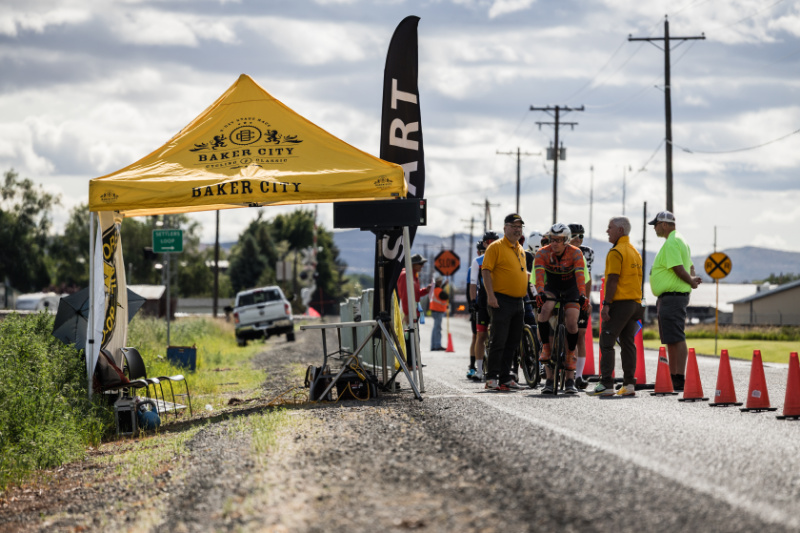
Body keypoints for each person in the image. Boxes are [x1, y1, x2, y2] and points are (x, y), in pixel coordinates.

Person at [588, 216, 644, 396]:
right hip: (635, 304)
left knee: (606, 340)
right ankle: (629, 385)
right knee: (628, 343)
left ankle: (606, 384)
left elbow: (612, 279)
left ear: (620, 230)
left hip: (620, 303)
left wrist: (606, 304)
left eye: (609, 227)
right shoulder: (635, 252)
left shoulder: (616, 252)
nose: (607, 231)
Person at [534, 223, 590, 394]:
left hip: (571, 287)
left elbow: (581, 276)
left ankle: (570, 360)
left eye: (559, 240)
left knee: (572, 323)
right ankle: (546, 348)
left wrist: (582, 295)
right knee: (544, 310)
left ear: (566, 240)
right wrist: (541, 292)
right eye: (553, 239)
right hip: (552, 286)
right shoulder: (542, 252)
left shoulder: (576, 252)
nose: (555, 243)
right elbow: (539, 276)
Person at [649, 210, 701, 391]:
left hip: (672, 297)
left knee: (676, 337)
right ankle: (674, 376)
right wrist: (692, 278)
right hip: (673, 297)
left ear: (663, 224)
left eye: (655, 224)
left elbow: (679, 268)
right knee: (673, 338)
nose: (654, 228)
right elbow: (690, 266)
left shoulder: (672, 242)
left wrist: (691, 281)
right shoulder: (680, 240)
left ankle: (678, 377)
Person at [481, 214, 529, 391]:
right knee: (498, 340)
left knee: (513, 342)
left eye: (520, 227)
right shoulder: (495, 247)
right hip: (500, 300)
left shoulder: (520, 248)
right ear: (505, 228)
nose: (517, 229)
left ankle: (505, 377)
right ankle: (492, 377)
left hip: (518, 301)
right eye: (513, 226)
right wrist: (490, 296)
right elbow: (486, 271)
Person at [468, 231, 499, 381]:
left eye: (494, 240)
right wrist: (473, 301)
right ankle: (479, 370)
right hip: (483, 300)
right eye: (488, 241)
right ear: (484, 243)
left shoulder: (501, 258)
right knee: (481, 335)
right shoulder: (478, 261)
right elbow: (473, 283)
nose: (491, 243)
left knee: (499, 335)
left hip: (500, 299)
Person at [568, 223, 595, 389]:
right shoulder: (560, 250)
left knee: (580, 335)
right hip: (563, 294)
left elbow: (588, 278)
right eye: (574, 236)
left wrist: (587, 299)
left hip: (579, 296)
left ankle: (578, 376)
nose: (578, 239)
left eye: (581, 236)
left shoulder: (587, 252)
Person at [466, 239, 486, 379]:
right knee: (476, 336)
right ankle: (472, 366)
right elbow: (470, 289)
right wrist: (472, 305)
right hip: (479, 304)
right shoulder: (473, 267)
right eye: (481, 251)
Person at [429, 277, 449, 351]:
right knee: (437, 329)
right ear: (438, 282)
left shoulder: (434, 289)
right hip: (438, 311)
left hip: (435, 311)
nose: (441, 283)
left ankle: (434, 345)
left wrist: (444, 285)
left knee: (436, 328)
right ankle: (437, 345)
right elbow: (445, 296)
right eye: (440, 281)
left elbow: (440, 290)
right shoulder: (438, 290)